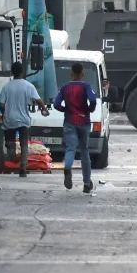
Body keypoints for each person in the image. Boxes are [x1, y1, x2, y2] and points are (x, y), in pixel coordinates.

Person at [53, 62, 97, 193]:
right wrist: (90, 109)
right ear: (83, 73)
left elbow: (56, 104)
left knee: (70, 148)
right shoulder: (86, 86)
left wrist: (65, 109)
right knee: (84, 151)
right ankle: (87, 183)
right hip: (84, 122)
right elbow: (93, 99)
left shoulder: (65, 87)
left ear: (71, 73)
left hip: (70, 121)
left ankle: (67, 168)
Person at [0, 62, 49, 177]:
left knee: (10, 142)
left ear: (12, 72)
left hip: (10, 119)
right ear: (22, 72)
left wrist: (4, 113)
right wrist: (44, 109)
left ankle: (12, 157)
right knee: (24, 143)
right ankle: (23, 167)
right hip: (24, 119)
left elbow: (2, 104)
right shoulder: (28, 86)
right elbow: (38, 100)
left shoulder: (6, 87)